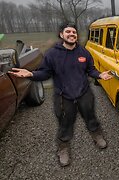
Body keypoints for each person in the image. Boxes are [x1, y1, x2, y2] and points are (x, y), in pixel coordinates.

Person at [9, 23, 113, 167]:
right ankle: (63, 148)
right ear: (61, 35)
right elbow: (45, 73)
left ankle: (97, 135)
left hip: (84, 93)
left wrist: (100, 75)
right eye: (68, 32)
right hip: (63, 96)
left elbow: (91, 70)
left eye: (74, 32)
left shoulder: (84, 52)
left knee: (91, 117)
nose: (72, 34)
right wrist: (31, 74)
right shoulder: (52, 54)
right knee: (65, 123)